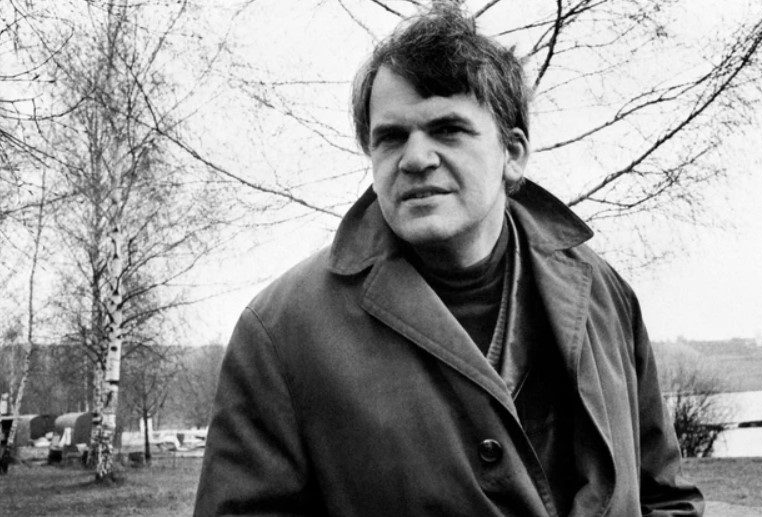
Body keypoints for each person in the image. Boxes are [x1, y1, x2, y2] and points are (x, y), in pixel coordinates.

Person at [195, 5, 703, 516]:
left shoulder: (602, 293)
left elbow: (665, 496)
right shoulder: (281, 332)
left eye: (448, 129)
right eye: (391, 137)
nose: (416, 158)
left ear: (513, 154)